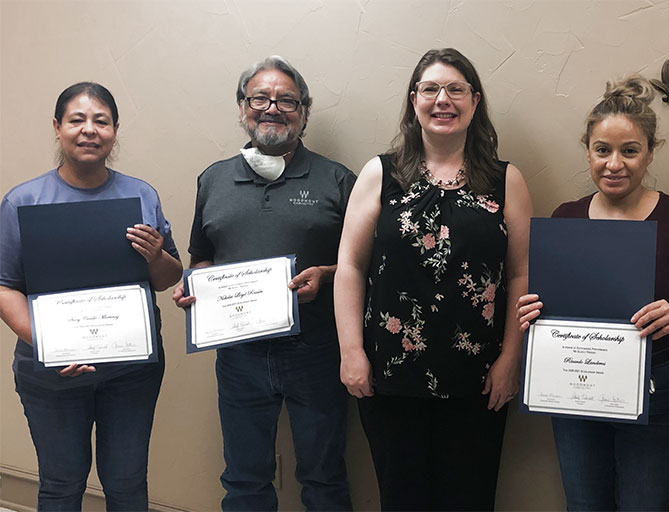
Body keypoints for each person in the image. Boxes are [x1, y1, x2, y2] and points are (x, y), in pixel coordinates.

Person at [334, 47, 532, 511]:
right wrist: (351, 352)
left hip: (477, 378)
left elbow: (521, 274)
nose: (443, 99)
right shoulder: (380, 174)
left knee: (470, 497)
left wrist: (510, 358)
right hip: (390, 376)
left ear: (475, 101)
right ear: (413, 100)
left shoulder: (506, 181)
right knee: (402, 497)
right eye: (431, 89)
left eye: (456, 89)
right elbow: (350, 266)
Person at [516, 74, 669, 510]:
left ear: (650, 152)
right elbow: (551, 307)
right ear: (587, 151)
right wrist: (534, 312)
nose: (615, 164)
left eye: (630, 151)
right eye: (602, 150)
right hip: (576, 387)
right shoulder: (565, 218)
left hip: (659, 388)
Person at [171, 56, 354, 511]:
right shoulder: (213, 179)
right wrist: (194, 287)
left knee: (324, 478)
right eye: (260, 98)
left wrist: (326, 276)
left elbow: (366, 265)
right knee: (244, 480)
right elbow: (203, 258)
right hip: (239, 358)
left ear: (304, 112)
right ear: (241, 108)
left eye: (287, 100)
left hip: (317, 352)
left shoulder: (337, 180)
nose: (272, 108)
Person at [0, 82, 182, 510]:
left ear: (115, 130)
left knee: (127, 481)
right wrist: (50, 346)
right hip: (51, 373)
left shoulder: (141, 195)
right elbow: (5, 286)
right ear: (57, 128)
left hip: (130, 371)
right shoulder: (22, 202)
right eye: (77, 120)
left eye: (101, 121)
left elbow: (168, 277)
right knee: (62, 484)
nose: (89, 130)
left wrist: (156, 255)